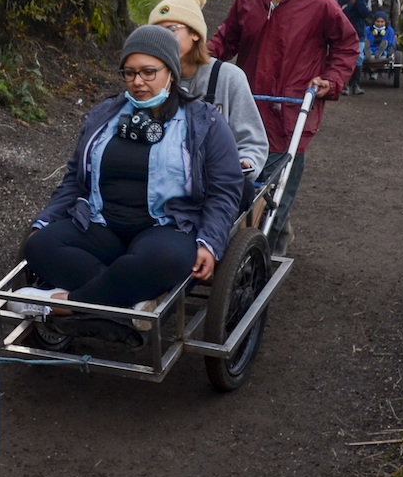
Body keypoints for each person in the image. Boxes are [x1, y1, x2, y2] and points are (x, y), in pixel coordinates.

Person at [23, 25, 244, 344]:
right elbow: (74, 177)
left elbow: (225, 190)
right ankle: (127, 304)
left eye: (148, 72)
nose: (138, 82)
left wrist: (210, 241)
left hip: (165, 228)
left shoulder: (203, 121)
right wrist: (44, 220)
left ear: (171, 70)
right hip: (102, 224)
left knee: (168, 261)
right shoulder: (106, 114)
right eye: (129, 73)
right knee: (38, 245)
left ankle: (68, 307)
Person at [206, 0, 359, 245]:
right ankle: (267, 235)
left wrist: (330, 81)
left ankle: (264, 246)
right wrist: (194, 60)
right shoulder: (248, 1)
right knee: (242, 182)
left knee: (276, 188)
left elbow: (347, 45)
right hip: (245, 110)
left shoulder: (321, 5)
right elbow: (223, 42)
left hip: (290, 114)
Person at [148, 0, 268, 179]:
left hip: (215, 181)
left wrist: (245, 164)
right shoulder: (148, 78)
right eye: (156, 32)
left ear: (195, 33)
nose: (163, 39)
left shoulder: (228, 78)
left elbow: (252, 143)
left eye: (171, 30)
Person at [334, 0, 371, 95]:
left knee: (359, 58)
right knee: (344, 57)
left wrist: (359, 0)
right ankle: (344, 85)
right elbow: (338, 14)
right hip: (343, 31)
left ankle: (356, 85)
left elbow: (366, 13)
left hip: (359, 32)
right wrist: (351, 4)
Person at [365, 11, 396, 77]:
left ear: (385, 22)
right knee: (366, 51)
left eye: (382, 22)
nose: (379, 24)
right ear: (374, 21)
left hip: (384, 51)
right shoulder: (367, 30)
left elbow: (391, 43)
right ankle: (370, 54)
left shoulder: (390, 31)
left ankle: (378, 54)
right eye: (378, 21)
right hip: (370, 49)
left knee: (384, 54)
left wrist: (389, 52)